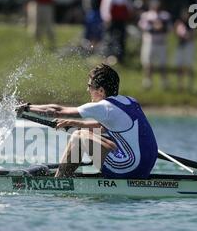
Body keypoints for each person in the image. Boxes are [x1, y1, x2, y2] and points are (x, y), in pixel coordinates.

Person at [16, 64, 157, 179]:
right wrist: (75, 124)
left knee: (78, 137)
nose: (87, 89)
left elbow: (56, 110)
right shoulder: (129, 101)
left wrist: (27, 107)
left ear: (101, 91)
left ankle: (60, 180)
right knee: (85, 133)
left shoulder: (104, 107)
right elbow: (103, 128)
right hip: (145, 167)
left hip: (129, 168)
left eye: (90, 86)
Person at [138, 0, 172, 89]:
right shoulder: (146, 15)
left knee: (162, 64)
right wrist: (154, 26)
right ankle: (147, 82)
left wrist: (161, 26)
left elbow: (169, 28)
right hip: (150, 42)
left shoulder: (165, 15)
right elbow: (143, 26)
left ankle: (164, 82)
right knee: (148, 63)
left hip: (161, 42)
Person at [174, 8, 195, 91]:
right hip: (181, 46)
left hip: (189, 46)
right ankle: (180, 85)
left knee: (189, 66)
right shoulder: (179, 24)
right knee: (180, 66)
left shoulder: (191, 24)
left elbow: (194, 35)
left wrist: (188, 36)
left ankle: (190, 85)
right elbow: (176, 33)